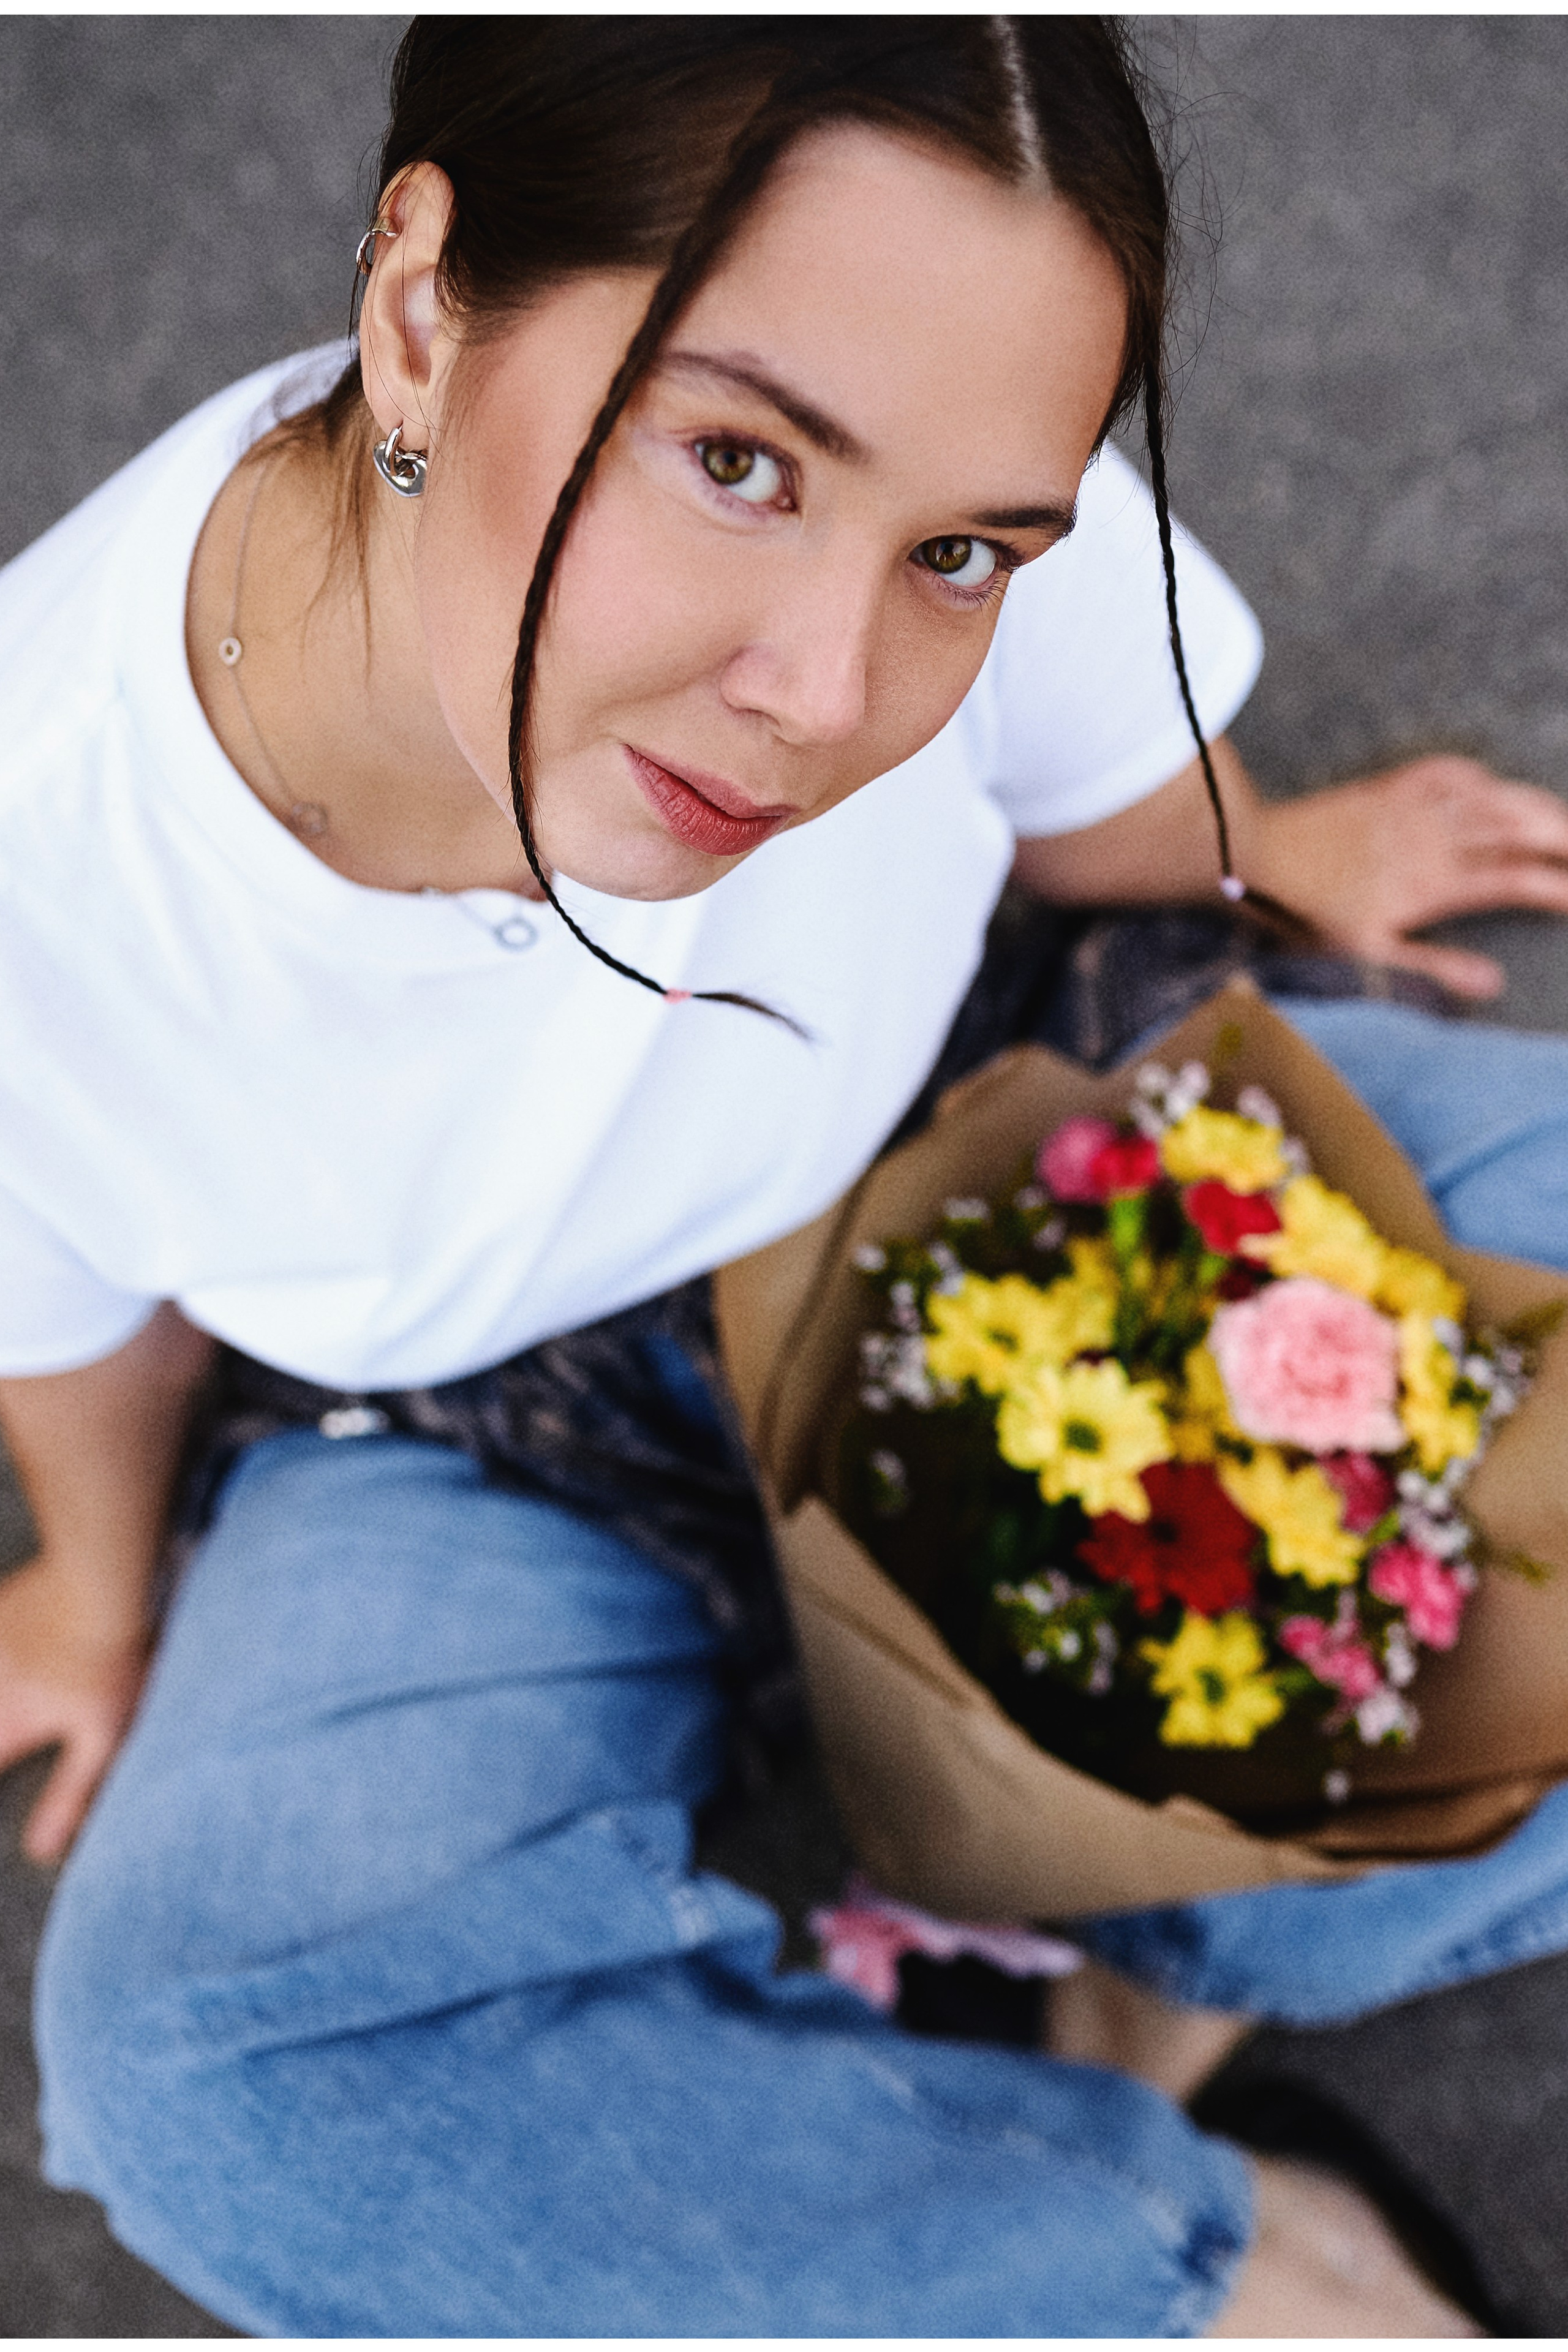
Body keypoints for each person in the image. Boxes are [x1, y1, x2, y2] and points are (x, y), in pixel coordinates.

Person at [3, 17, 1568, 2335]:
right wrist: (100, 1593)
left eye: (958, 548)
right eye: (736, 462)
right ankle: (1209, 2243)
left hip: (985, 1131)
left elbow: (1095, 771)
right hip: (464, 1434)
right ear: (420, 309)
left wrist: (1282, 843)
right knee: (205, 2065)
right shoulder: (37, 834)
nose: (830, 690)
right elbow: (68, 1295)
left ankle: (1148, 1952)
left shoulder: (947, 412)